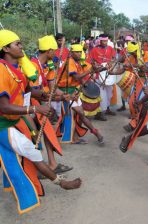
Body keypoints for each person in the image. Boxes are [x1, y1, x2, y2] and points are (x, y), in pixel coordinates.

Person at [0, 29, 81, 214]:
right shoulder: (0, 70)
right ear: (5, 48)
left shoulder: (16, 69)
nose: (21, 46)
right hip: (3, 123)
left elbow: (30, 92)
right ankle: (61, 183)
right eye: (17, 44)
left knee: (24, 152)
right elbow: (3, 107)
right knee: (30, 150)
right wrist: (36, 109)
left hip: (15, 120)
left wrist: (57, 97)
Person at [30, 35, 72, 174]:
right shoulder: (32, 66)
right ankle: (35, 169)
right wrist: (56, 97)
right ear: (48, 51)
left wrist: (63, 95)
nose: (55, 52)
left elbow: (53, 86)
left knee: (47, 132)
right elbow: (34, 92)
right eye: (54, 50)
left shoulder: (48, 65)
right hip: (31, 106)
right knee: (34, 136)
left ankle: (52, 164)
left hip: (42, 103)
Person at [56, 44, 104, 145]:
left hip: (74, 91)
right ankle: (94, 133)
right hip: (65, 91)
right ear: (71, 53)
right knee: (79, 113)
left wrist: (104, 68)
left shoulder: (78, 62)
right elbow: (76, 77)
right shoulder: (69, 62)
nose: (79, 54)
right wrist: (89, 71)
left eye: (80, 52)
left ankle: (82, 136)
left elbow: (90, 70)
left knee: (79, 115)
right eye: (76, 52)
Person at [122, 41, 148, 132]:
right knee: (132, 102)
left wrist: (132, 65)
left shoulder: (147, 54)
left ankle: (134, 124)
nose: (132, 54)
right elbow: (124, 67)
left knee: (141, 103)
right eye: (131, 53)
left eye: (133, 52)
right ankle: (135, 121)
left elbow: (146, 67)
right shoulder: (131, 57)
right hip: (137, 81)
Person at [90, 34, 117, 121]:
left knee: (109, 94)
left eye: (106, 41)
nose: (105, 42)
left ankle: (107, 109)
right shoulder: (94, 49)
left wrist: (111, 63)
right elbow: (91, 61)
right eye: (103, 41)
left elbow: (114, 59)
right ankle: (99, 113)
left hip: (108, 73)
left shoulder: (110, 49)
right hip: (99, 73)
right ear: (100, 41)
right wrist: (95, 68)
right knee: (102, 95)